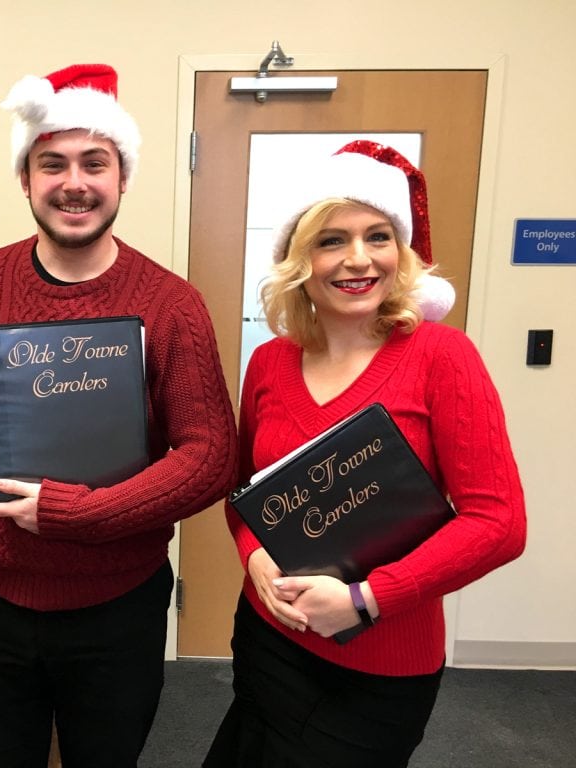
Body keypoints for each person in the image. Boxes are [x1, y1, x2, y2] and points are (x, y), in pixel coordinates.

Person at [0, 63, 237, 768]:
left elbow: (211, 453)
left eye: (94, 162)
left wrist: (79, 513)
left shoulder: (170, 303)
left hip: (115, 607)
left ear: (122, 177)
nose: (74, 182)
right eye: (52, 163)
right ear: (26, 178)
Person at [204, 141, 527, 768]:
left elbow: (499, 524)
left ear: (400, 253)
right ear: (300, 259)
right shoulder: (271, 362)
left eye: (378, 236)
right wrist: (255, 558)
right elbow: (244, 494)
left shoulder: (442, 357)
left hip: (381, 664)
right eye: (331, 240)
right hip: (271, 639)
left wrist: (365, 599)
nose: (358, 259)